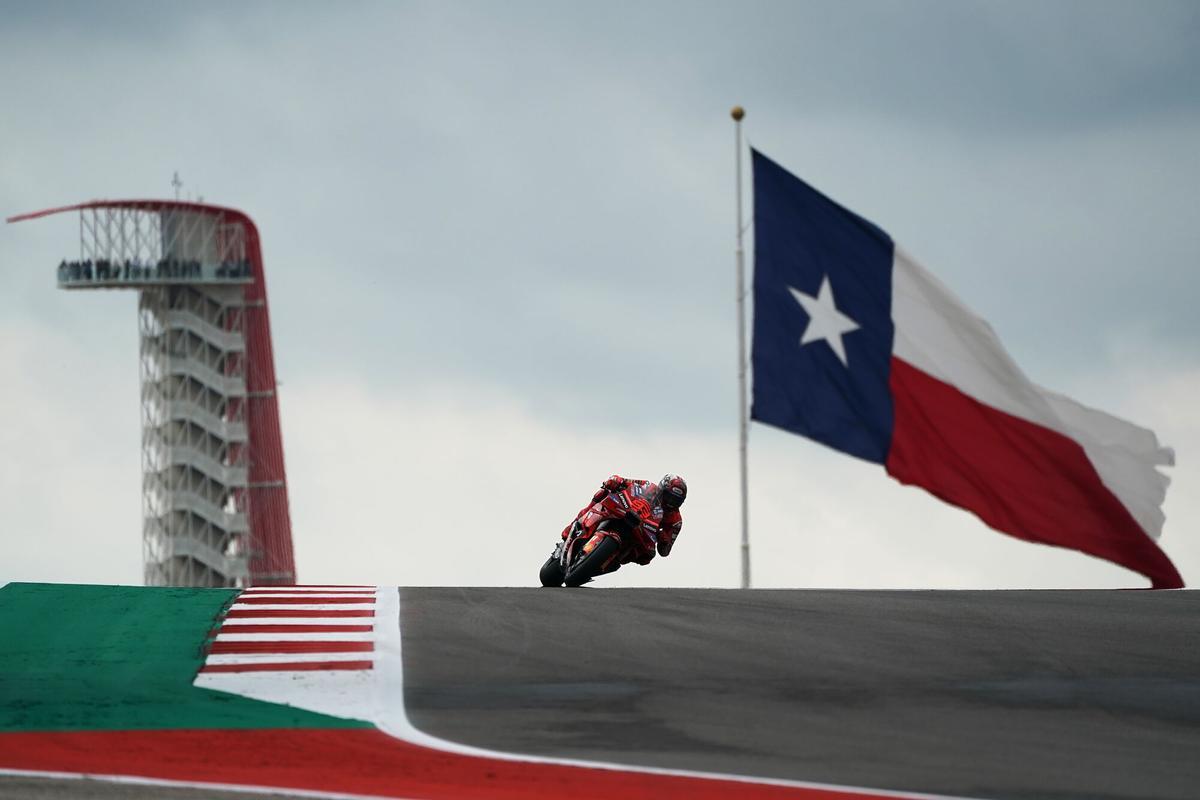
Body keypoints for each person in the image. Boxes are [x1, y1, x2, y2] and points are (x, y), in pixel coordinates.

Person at [561, 473, 687, 566]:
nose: (670, 503)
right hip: (626, 510)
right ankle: (577, 524)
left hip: (642, 531)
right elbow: (626, 482)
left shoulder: (676, 521)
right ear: (661, 489)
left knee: (646, 557)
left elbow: (665, 552)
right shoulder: (648, 486)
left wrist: (664, 539)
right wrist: (616, 480)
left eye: (675, 500)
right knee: (603, 493)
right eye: (668, 497)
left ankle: (611, 560)